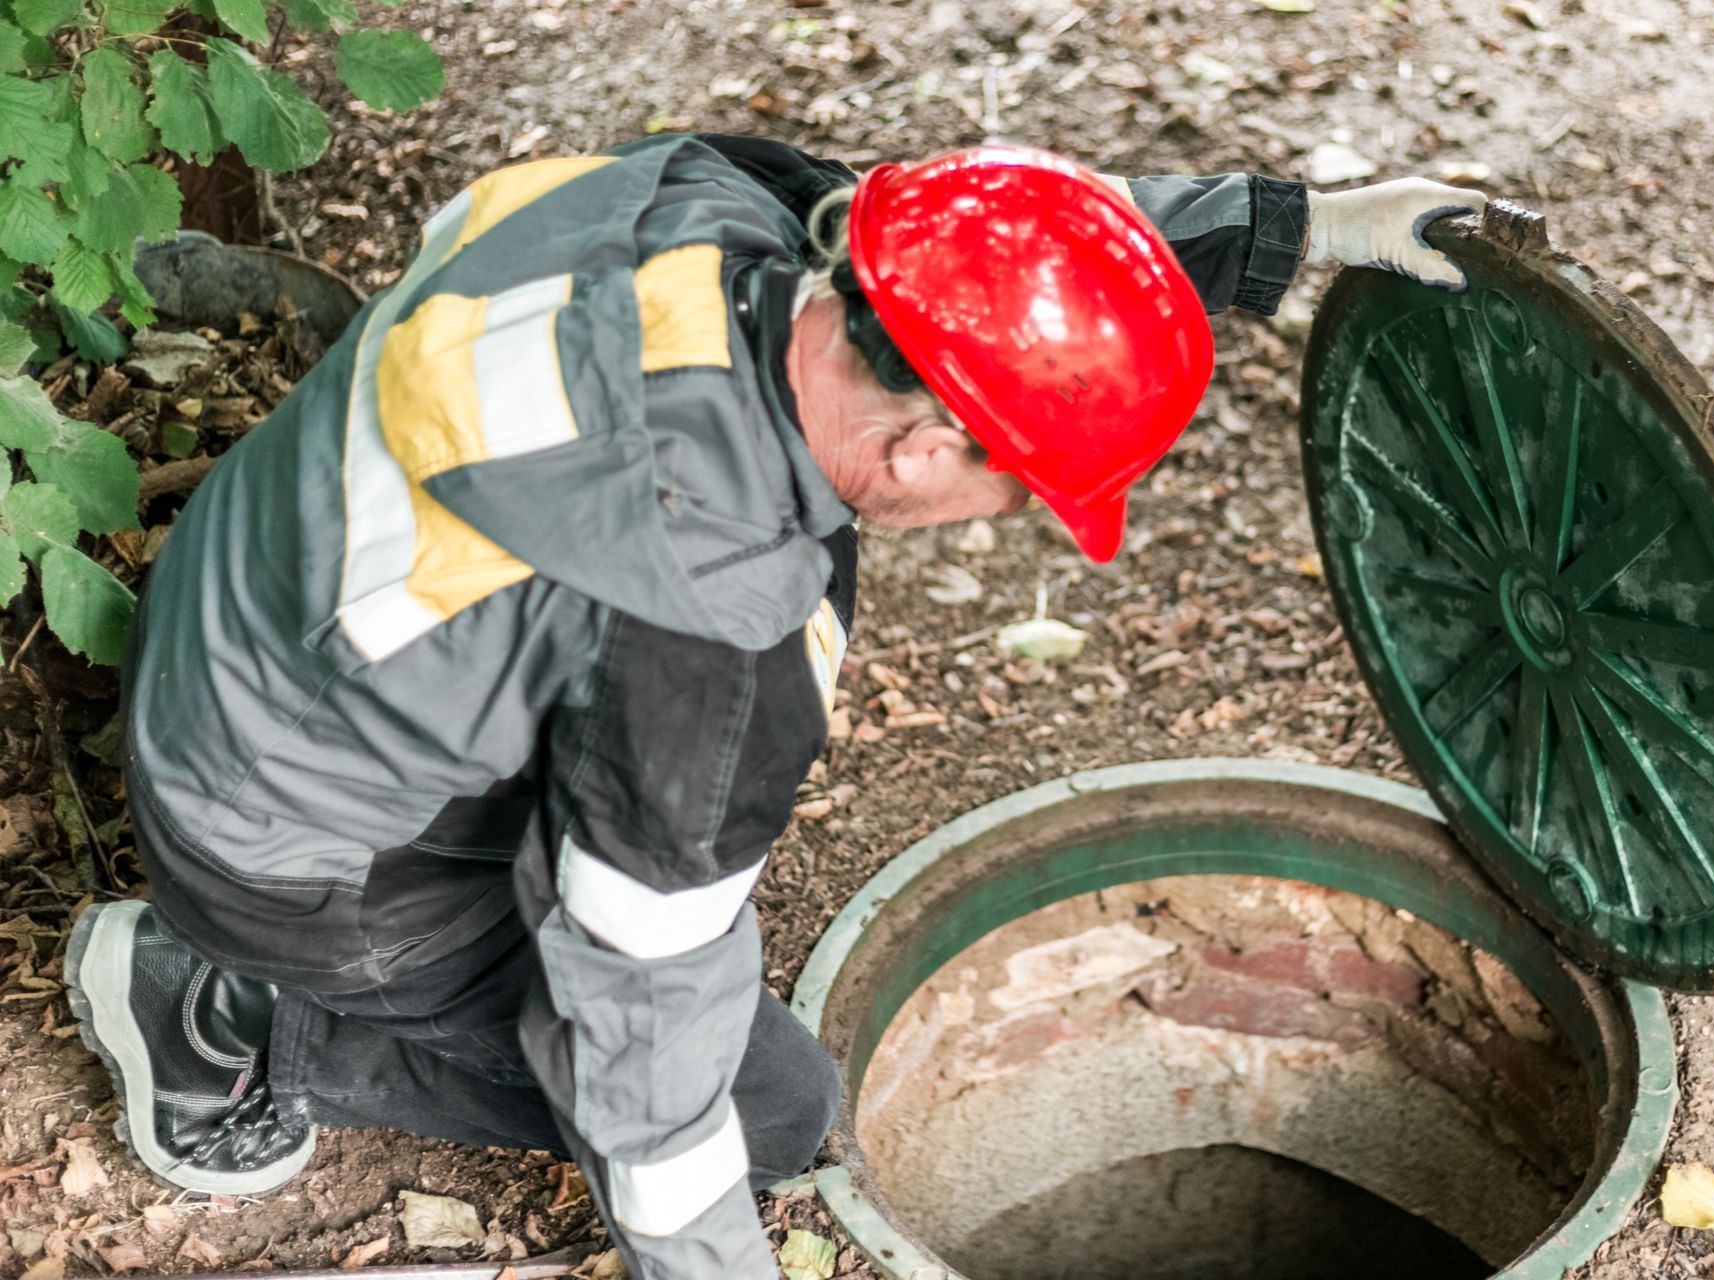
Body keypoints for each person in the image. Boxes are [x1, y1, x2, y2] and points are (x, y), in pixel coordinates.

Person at [62, 134, 1482, 1278]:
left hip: (258, 609)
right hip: (298, 842)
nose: (1007, 522)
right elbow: (638, 1001)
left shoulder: (711, 206)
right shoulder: (702, 629)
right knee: (768, 1112)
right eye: (1018, 492)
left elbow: (973, 237)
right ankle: (223, 1017)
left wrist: (1285, 230)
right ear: (927, 449)